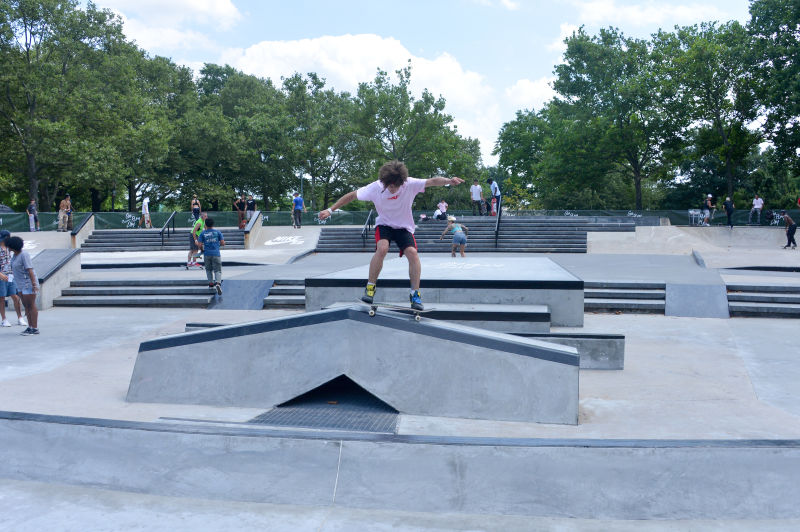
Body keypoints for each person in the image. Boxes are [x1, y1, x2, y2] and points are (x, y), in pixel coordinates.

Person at [318, 160, 464, 310]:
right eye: (390, 186)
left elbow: (432, 181)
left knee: (413, 253)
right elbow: (352, 196)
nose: (393, 189)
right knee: (382, 248)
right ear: (385, 182)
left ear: (402, 182)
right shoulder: (376, 187)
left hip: (403, 227)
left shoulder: (409, 184)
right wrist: (330, 210)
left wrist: (448, 181)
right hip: (384, 225)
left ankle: (415, 294)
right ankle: (370, 287)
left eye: (396, 185)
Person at [5, 236, 38, 335]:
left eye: (9, 246)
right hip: (20, 284)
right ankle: (30, 326)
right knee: (26, 306)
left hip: (27, 283)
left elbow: (30, 270)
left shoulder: (24, 255)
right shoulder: (15, 255)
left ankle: (34, 328)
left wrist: (34, 284)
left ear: (13, 246)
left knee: (31, 305)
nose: (8, 248)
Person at [0, 231, 27, 328]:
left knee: (15, 297)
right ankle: (4, 319)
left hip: (11, 275)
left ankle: (20, 317)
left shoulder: (9, 248)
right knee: (1, 298)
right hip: (1, 276)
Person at [198, 217, 225, 294]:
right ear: (213, 224)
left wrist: (202, 249)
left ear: (205, 224)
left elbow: (199, 244)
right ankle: (218, 283)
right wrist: (217, 245)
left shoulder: (203, 233)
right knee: (218, 270)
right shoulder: (218, 232)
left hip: (207, 254)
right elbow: (223, 243)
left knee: (208, 269)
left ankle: (210, 283)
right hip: (216, 254)